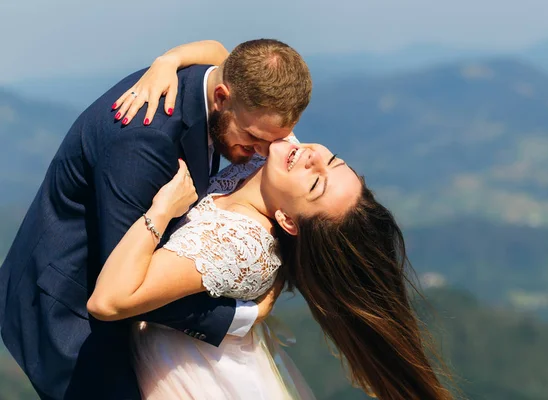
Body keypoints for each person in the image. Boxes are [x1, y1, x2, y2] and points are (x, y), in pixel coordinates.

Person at [0, 39, 312, 399]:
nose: (260, 154)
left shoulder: (220, 80)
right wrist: (242, 315)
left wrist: (168, 58)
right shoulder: (145, 144)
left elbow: (217, 50)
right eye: (254, 138)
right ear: (222, 97)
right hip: (72, 310)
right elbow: (127, 288)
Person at [87, 139, 452, 400]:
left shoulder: (238, 244)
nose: (313, 157)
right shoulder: (281, 163)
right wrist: (169, 63)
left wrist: (163, 209)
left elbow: (108, 301)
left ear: (287, 222)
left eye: (315, 183)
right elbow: (232, 63)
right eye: (334, 159)